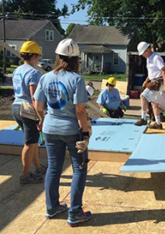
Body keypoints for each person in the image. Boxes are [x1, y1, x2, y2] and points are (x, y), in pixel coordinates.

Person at [34, 38, 92, 227]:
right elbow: (80, 111)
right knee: (79, 169)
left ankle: (52, 208)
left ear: (58, 57)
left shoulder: (46, 77)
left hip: (50, 129)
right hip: (71, 130)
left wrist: (42, 121)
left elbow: (38, 105)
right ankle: (75, 212)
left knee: (53, 168)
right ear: (76, 59)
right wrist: (85, 133)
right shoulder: (76, 80)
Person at [12, 41, 46, 184]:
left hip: (16, 106)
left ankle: (38, 167)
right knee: (29, 144)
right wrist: (41, 117)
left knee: (32, 142)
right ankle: (25, 176)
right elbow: (34, 97)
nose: (39, 59)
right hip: (27, 110)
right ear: (33, 56)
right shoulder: (33, 73)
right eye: (38, 56)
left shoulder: (17, 70)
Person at [134, 42, 165, 129]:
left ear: (148, 49)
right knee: (154, 103)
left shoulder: (156, 58)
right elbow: (151, 73)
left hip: (157, 82)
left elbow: (164, 70)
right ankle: (158, 123)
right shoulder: (148, 58)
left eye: (143, 53)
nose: (142, 55)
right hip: (152, 82)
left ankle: (144, 119)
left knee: (143, 97)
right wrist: (146, 81)